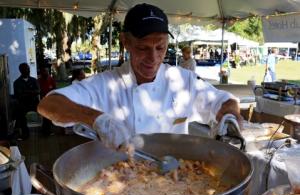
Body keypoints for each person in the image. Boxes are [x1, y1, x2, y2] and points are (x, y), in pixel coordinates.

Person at [38, 3, 241, 150]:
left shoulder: (183, 81)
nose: (153, 58)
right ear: (125, 42)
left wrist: (230, 118)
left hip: (177, 182)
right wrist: (96, 119)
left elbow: (225, 101)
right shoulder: (105, 84)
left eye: (160, 47)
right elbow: (48, 105)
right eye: (143, 47)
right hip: (119, 184)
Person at [13, 63, 39, 140]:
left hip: (34, 102)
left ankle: (46, 131)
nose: (28, 70)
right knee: (19, 114)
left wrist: (25, 92)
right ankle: (25, 134)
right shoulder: (17, 82)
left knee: (46, 109)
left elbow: (38, 91)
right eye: (26, 69)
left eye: (28, 69)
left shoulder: (34, 80)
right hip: (23, 104)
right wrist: (31, 92)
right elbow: (18, 95)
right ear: (21, 71)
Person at [38, 67, 56, 135]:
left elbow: (54, 89)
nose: (46, 73)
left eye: (47, 71)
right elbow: (39, 91)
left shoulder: (51, 79)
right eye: (44, 71)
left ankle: (47, 129)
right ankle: (46, 130)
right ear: (41, 73)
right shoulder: (39, 80)